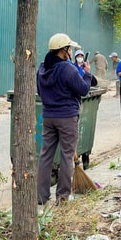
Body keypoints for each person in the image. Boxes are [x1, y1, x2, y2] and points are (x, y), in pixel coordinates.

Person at [37, 33, 93, 205]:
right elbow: (83, 90)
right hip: (67, 117)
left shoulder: (41, 69)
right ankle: (62, 198)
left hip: (48, 117)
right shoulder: (67, 69)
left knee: (46, 155)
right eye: (69, 48)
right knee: (67, 156)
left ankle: (41, 197)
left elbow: (40, 92)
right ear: (63, 50)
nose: (70, 52)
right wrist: (88, 74)